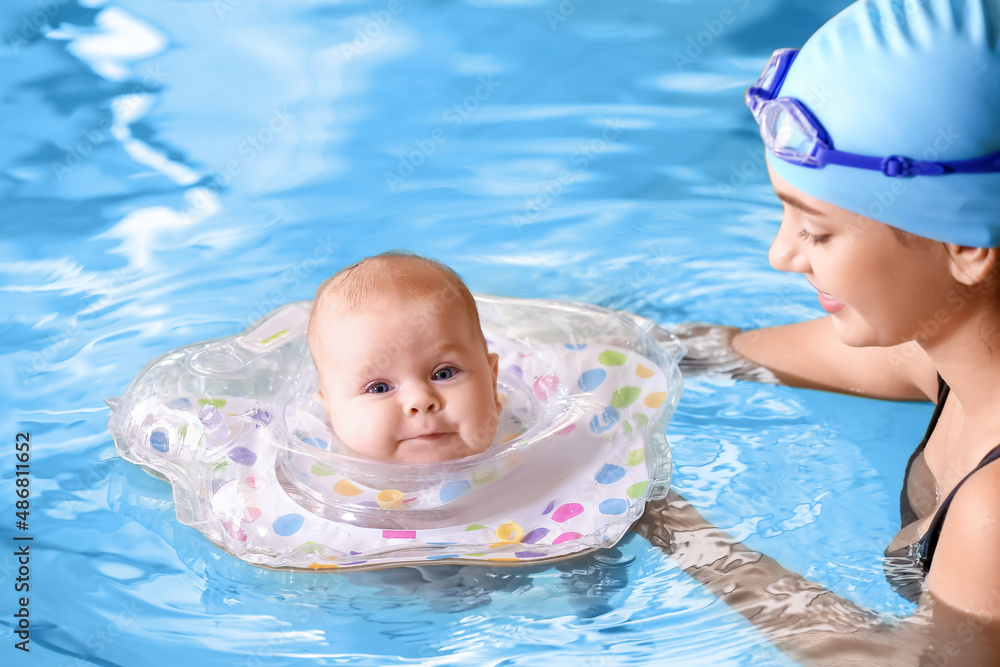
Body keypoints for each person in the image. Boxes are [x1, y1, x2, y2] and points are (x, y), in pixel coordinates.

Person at [637, 0, 1000, 663]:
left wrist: (661, 516)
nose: (782, 254)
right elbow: (750, 349)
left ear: (964, 245)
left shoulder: (993, 515)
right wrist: (621, 342)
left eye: (817, 228)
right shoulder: (952, 356)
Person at [307, 251, 502, 463]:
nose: (419, 400)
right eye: (378, 387)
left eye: (444, 374)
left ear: (492, 383)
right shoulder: (306, 477)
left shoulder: (531, 451)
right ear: (331, 411)